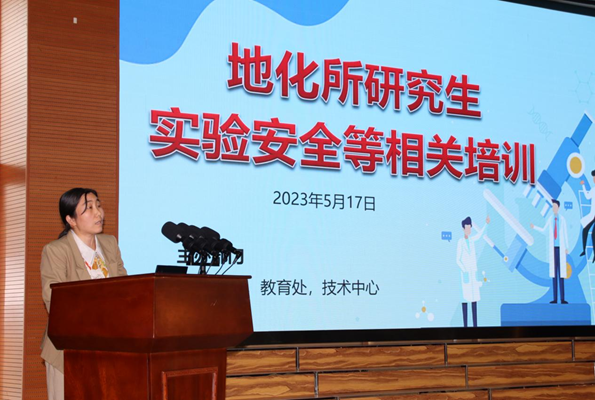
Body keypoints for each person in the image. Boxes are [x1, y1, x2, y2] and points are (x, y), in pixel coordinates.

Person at [40, 188, 127, 400]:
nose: (98, 213)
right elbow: (55, 302)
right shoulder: (56, 251)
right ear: (71, 220)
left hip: (109, 347)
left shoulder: (110, 243)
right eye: (89, 208)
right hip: (68, 351)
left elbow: (126, 289)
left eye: (98, 205)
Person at [531, 199, 569, 304]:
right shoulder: (550, 219)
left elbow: (565, 233)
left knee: (561, 275)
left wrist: (567, 247)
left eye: (555, 207)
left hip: (561, 249)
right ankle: (555, 299)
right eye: (552, 207)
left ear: (558, 207)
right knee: (554, 275)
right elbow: (544, 230)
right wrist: (534, 227)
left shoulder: (562, 220)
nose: (553, 208)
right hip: (553, 249)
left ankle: (562, 299)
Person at [456, 215, 489, 327]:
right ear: (463, 228)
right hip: (465, 275)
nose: (469, 230)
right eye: (467, 228)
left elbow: (480, 235)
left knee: (474, 301)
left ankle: (475, 326)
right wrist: (464, 270)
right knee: (465, 301)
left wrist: (486, 224)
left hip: (473, 276)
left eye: (470, 228)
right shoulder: (460, 242)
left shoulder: (471, 240)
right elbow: (457, 260)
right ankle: (465, 326)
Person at [580, 170, 595, 262]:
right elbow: (587, 196)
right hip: (593, 215)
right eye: (593, 177)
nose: (594, 179)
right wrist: (583, 186)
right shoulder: (593, 190)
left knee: (593, 234)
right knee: (585, 230)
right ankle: (584, 251)